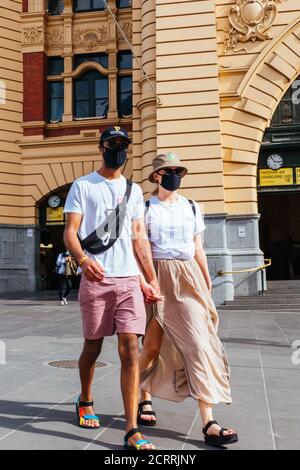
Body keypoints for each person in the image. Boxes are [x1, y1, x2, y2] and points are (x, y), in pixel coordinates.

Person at [63, 126, 161, 450]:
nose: (119, 149)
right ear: (102, 147)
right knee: (92, 347)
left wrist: (149, 278)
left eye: (123, 144)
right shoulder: (83, 186)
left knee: (130, 348)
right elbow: (71, 231)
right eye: (113, 144)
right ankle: (86, 398)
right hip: (97, 278)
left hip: (129, 280)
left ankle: (131, 427)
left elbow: (138, 237)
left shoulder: (133, 191)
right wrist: (82, 259)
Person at [138, 153, 238, 448]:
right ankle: (142, 397)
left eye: (177, 171)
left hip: (189, 274)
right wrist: (145, 280)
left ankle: (208, 421)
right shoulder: (144, 208)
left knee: (199, 342)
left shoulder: (193, 207)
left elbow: (198, 249)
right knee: (152, 344)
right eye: (168, 171)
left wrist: (206, 282)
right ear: (156, 176)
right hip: (157, 273)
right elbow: (139, 248)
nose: (174, 175)